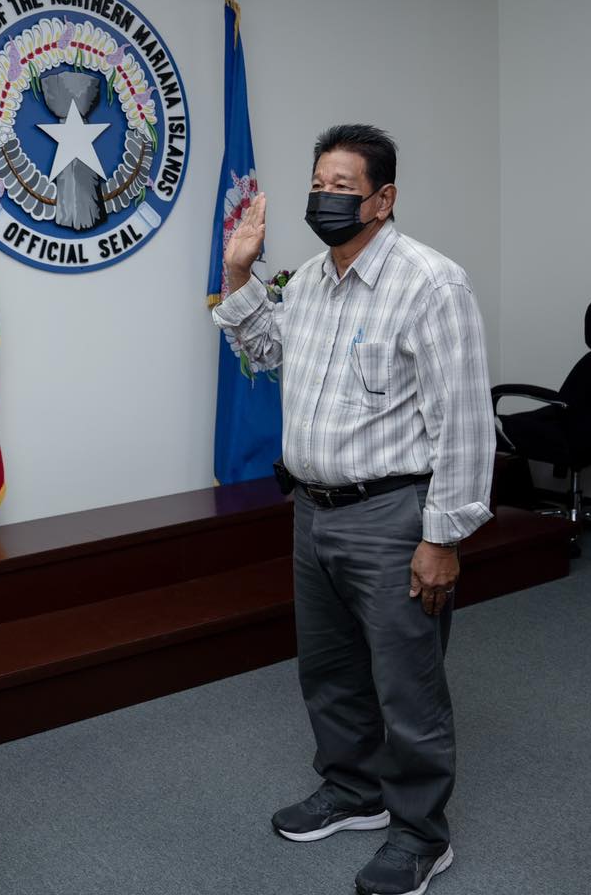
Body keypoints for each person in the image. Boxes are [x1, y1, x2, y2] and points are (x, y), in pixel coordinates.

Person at [212, 125, 494, 895]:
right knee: (330, 671)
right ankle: (353, 789)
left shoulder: (432, 284)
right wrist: (240, 273)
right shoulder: (306, 280)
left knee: (408, 685)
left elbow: (464, 422)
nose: (325, 198)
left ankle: (419, 834)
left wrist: (443, 536)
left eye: (343, 186)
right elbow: (266, 353)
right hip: (313, 512)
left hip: (392, 516)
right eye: (318, 184)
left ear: (384, 197)